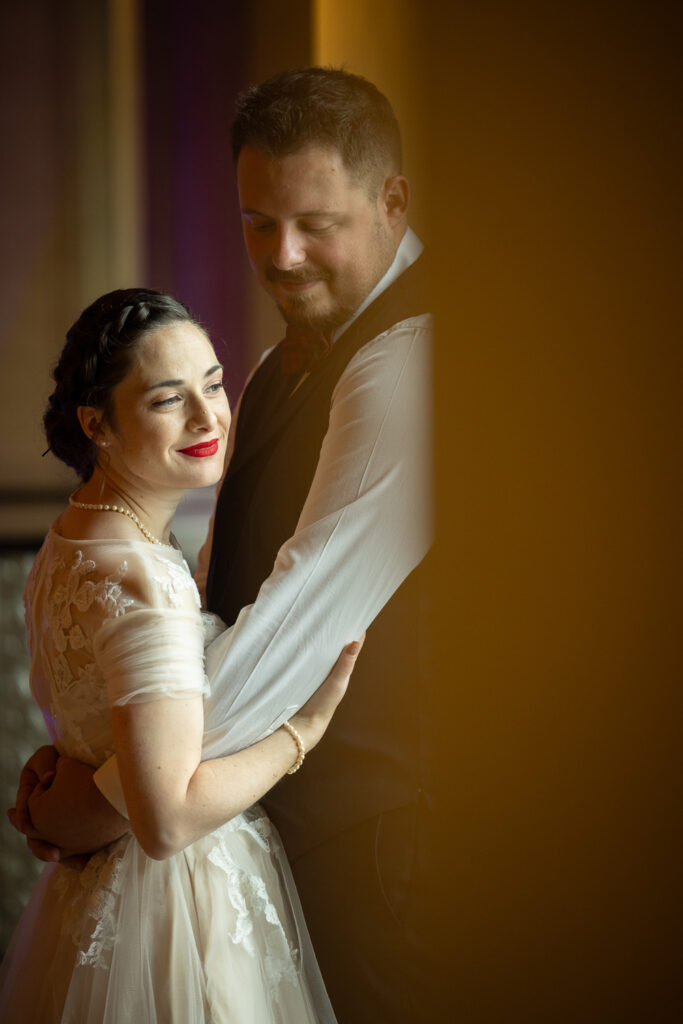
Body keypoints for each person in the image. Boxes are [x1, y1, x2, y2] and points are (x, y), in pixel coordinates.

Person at [12, 68, 439, 1021]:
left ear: (392, 199)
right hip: (247, 827)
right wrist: (99, 747)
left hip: (373, 846)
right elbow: (211, 595)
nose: (281, 256)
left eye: (315, 222)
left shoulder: (407, 366)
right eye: (256, 221)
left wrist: (99, 796)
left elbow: (296, 622)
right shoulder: (279, 362)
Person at [0, 288, 363, 1023]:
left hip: (90, 896)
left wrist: (68, 772)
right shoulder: (143, 575)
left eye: (214, 384)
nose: (208, 418)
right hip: (171, 910)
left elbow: (100, 720)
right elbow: (165, 820)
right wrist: (302, 732)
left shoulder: (70, 538)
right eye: (169, 399)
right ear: (96, 424)